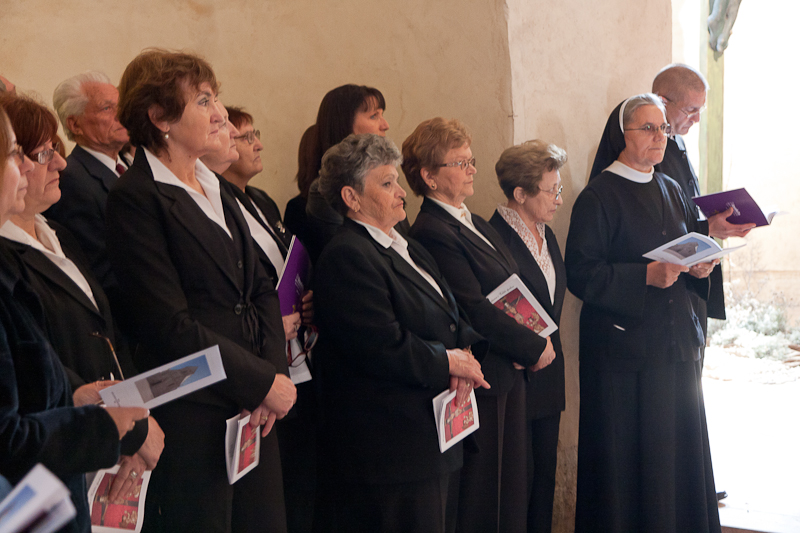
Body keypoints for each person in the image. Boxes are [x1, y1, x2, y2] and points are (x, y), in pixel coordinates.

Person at [107, 49, 295, 532]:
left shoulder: (218, 187)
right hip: (194, 411)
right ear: (160, 117)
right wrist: (257, 381)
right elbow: (167, 325)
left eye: (218, 99)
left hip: (255, 410)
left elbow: (261, 291)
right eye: (204, 101)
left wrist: (272, 378)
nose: (221, 116)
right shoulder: (137, 198)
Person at [313, 133, 490, 533]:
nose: (400, 193)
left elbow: (449, 308)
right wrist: (449, 360)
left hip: (432, 436)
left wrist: (467, 350)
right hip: (391, 448)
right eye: (386, 183)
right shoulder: (348, 255)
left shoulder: (402, 243)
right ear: (351, 197)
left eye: (397, 181)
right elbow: (382, 347)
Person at [566, 93, 721, 532]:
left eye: (663, 129)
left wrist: (698, 267)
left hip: (674, 349)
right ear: (623, 134)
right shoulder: (598, 196)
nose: (660, 138)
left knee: (676, 456)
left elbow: (684, 249)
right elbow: (582, 273)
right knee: (628, 467)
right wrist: (643, 278)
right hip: (624, 358)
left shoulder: (671, 188)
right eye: (648, 129)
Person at [0, 93, 165, 502]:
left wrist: (132, 412)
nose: (59, 163)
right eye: (26, 154)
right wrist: (114, 429)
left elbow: (104, 329)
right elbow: (28, 388)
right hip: (48, 465)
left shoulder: (60, 235)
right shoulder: (8, 259)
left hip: (84, 435)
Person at [406, 118, 555, 533]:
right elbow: (474, 308)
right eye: (460, 162)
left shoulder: (472, 221)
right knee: (485, 497)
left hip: (509, 373)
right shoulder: (434, 231)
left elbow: (511, 290)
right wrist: (531, 346)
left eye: (471, 160)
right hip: (486, 378)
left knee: (511, 492)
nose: (472, 169)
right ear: (429, 176)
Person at [219, 105, 315, 533]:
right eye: (245, 136)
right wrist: (276, 323)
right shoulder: (216, 202)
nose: (258, 144)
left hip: (294, 347)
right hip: (260, 350)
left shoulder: (260, 200)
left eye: (256, 134)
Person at [488, 140, 568, 533]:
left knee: (544, 481)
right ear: (520, 193)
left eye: (559, 189)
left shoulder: (547, 235)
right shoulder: (492, 237)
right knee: (518, 484)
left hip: (549, 374)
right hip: (515, 376)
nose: (558, 199)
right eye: (551, 191)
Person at [284, 84, 399, 263]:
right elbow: (359, 255)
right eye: (374, 116)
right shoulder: (322, 192)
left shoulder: (387, 176)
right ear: (345, 126)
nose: (385, 125)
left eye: (382, 115)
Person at [45, 72, 131, 307]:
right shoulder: (73, 181)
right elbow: (100, 272)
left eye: (120, 106)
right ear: (75, 124)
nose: (121, 115)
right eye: (107, 108)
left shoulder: (129, 166)